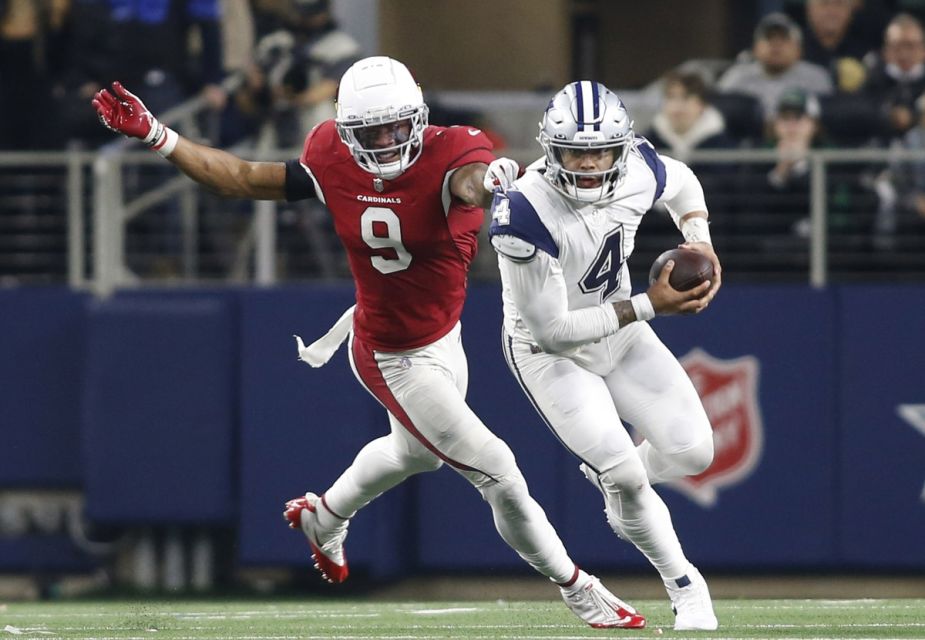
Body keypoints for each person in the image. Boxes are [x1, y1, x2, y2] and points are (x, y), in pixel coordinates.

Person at [91, 56, 646, 630]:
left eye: (395, 127)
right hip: (390, 353)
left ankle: (324, 517)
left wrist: (494, 181)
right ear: (345, 131)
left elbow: (468, 182)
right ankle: (577, 587)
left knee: (414, 455)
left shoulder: (454, 148)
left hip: (442, 336)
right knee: (498, 470)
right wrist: (159, 135)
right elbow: (240, 178)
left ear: (419, 118)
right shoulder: (330, 153)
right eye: (369, 132)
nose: (384, 143)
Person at [487, 81, 721, 631]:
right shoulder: (524, 211)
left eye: (601, 150)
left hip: (622, 330)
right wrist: (650, 304)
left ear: (623, 145)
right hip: (551, 354)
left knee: (694, 453)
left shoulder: (639, 165)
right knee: (630, 480)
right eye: (575, 150)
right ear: (550, 148)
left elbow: (681, 180)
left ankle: (618, 479)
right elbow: (554, 333)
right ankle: (685, 585)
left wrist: (699, 238)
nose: (590, 163)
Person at [717, 12, 833, 120]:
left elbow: (826, 123)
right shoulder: (736, 77)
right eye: (769, 38)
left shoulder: (816, 77)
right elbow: (718, 116)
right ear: (755, 48)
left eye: (784, 38)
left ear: (799, 50)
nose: (776, 45)